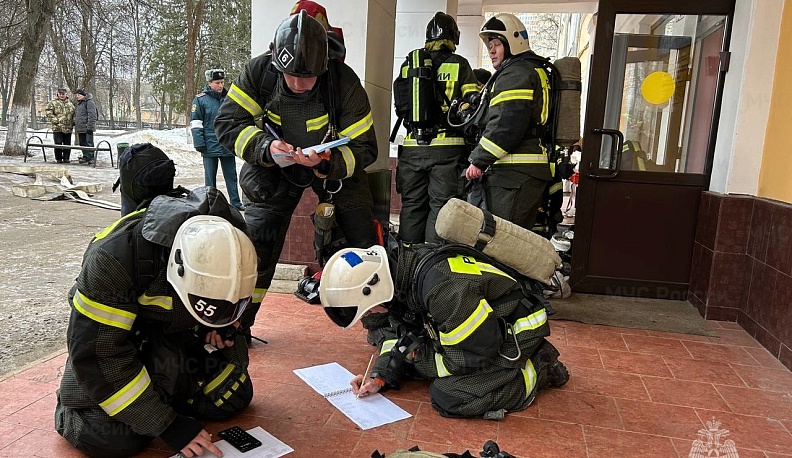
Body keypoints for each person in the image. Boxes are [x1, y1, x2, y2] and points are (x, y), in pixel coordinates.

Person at [54, 188, 257, 458]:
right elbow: (99, 354)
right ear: (178, 269)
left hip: (177, 338)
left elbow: (239, 298)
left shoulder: (238, 247)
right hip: (122, 345)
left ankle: (163, 397)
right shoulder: (114, 260)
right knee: (111, 438)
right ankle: (75, 411)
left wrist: (221, 323)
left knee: (232, 395)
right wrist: (167, 425)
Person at [215, 10, 379, 324]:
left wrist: (327, 163)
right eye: (290, 75)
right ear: (276, 61)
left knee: (362, 244)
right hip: (271, 169)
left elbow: (365, 147)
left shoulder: (343, 81)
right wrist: (265, 148)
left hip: (332, 171)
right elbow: (228, 124)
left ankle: (380, 328)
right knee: (256, 251)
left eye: (308, 77)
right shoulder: (259, 72)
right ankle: (235, 327)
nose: (299, 83)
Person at [318, 243, 569, 419]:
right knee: (381, 334)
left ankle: (539, 367)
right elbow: (398, 331)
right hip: (478, 325)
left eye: (367, 310)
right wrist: (380, 375)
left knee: (449, 396)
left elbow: (470, 356)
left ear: (375, 290)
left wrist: (418, 358)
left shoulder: (444, 292)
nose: (366, 316)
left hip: (516, 331)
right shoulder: (399, 274)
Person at [395, 12, 479, 245]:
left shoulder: (409, 64)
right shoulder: (459, 64)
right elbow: (473, 105)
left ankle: (408, 259)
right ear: (453, 37)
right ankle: (432, 260)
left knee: (412, 205)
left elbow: (401, 106)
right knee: (440, 207)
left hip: (412, 149)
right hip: (447, 150)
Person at [465, 14, 553, 231]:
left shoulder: (516, 74)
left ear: (513, 42)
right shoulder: (528, 69)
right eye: (489, 46)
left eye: (496, 44)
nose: (491, 51)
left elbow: (506, 124)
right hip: (521, 172)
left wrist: (479, 160)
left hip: (515, 173)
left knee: (503, 239)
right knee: (510, 237)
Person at [191, 69, 244, 210]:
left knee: (231, 176)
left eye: (222, 82)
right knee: (210, 178)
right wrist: (199, 143)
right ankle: (210, 204)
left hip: (227, 143)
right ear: (209, 83)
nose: (220, 85)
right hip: (209, 145)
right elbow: (196, 123)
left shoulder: (229, 98)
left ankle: (236, 203)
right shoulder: (200, 100)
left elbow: (235, 120)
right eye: (217, 83)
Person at [44, 87, 75, 163]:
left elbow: (74, 113)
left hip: (68, 127)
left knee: (67, 144)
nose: (61, 95)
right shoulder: (53, 102)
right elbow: (48, 112)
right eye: (60, 94)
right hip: (57, 127)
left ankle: (66, 158)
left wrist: (73, 121)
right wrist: (55, 120)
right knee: (58, 143)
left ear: (66, 94)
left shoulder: (70, 103)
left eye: (63, 94)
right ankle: (58, 158)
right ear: (57, 94)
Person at [74, 88, 98, 165]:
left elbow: (92, 115)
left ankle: (91, 157)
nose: (77, 96)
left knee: (89, 143)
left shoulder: (89, 102)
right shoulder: (79, 104)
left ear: (83, 95)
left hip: (87, 127)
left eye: (78, 95)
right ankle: (86, 156)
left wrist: (90, 126)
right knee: (82, 143)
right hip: (80, 127)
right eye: (76, 95)